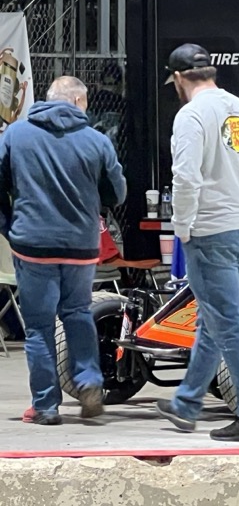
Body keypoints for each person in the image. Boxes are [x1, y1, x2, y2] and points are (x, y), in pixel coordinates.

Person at [157, 43, 239, 442]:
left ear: (178, 78)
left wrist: (181, 226)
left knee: (227, 325)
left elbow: (186, 177)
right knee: (213, 318)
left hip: (211, 231)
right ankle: (187, 402)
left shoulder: (191, 115)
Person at [0, 75, 126, 425]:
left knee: (39, 327)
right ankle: (88, 381)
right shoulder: (97, 140)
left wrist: (10, 227)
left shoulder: (16, 134)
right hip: (81, 246)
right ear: (79, 102)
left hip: (32, 245)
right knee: (78, 313)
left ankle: (45, 406)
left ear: (48, 98)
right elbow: (117, 193)